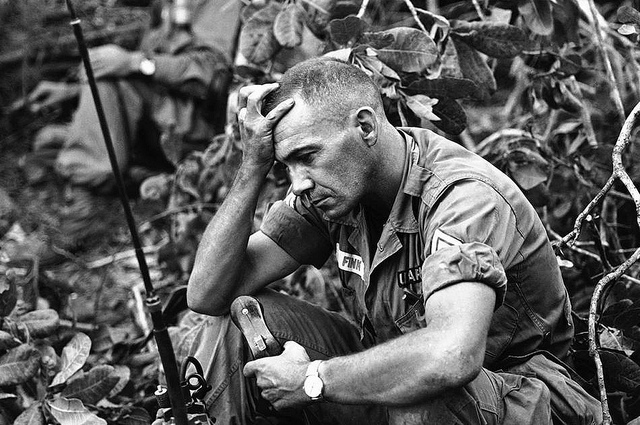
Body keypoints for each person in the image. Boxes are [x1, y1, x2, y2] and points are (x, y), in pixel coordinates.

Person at [185, 57, 602, 424]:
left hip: (517, 402)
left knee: (418, 389)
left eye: (308, 157)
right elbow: (208, 294)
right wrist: (252, 167)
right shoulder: (337, 188)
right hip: (402, 389)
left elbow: (450, 357)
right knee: (239, 315)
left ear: (365, 126)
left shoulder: (464, 200)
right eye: (286, 165)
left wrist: (313, 380)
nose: (298, 184)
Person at [24, 0, 242, 243]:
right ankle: (134, 177)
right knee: (48, 141)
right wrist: (71, 91)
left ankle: (81, 218)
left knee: (108, 80)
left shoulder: (217, 3)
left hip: (194, 134)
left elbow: (212, 74)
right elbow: (140, 86)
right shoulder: (164, 4)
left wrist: (135, 62)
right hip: (156, 126)